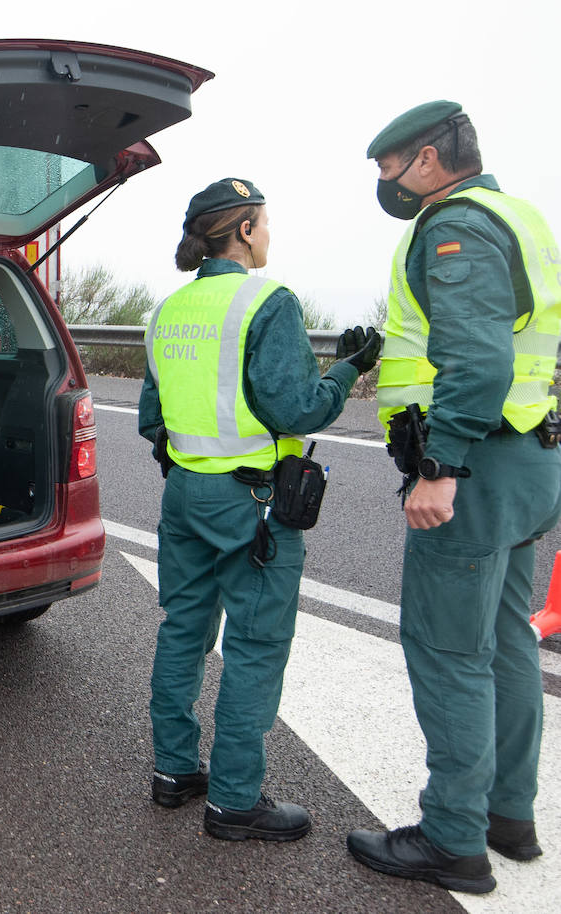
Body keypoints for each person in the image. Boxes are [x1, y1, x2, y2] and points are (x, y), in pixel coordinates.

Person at [347, 102, 561, 895]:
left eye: (388, 167)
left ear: (430, 160)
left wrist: (440, 464)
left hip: (476, 468)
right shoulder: (522, 215)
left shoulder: (457, 228)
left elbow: (475, 359)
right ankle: (510, 816)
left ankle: (452, 840)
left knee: (449, 653)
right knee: (505, 641)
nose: (384, 183)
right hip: (530, 459)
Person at [139, 179, 380, 842]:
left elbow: (151, 419)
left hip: (184, 495)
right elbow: (295, 408)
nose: (269, 233)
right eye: (265, 223)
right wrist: (346, 370)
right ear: (244, 230)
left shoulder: (167, 312)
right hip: (252, 503)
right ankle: (236, 801)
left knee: (183, 629)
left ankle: (174, 773)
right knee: (254, 645)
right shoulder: (269, 302)